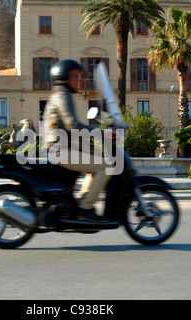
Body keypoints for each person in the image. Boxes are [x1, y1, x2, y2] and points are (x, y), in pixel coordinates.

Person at [44, 59, 114, 223]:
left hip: (63, 147)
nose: (79, 79)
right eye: (74, 76)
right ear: (63, 78)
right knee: (107, 166)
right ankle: (86, 207)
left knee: (101, 159)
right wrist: (102, 134)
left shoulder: (61, 95)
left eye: (79, 75)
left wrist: (93, 146)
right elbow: (72, 125)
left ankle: (84, 199)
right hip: (61, 151)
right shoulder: (62, 95)